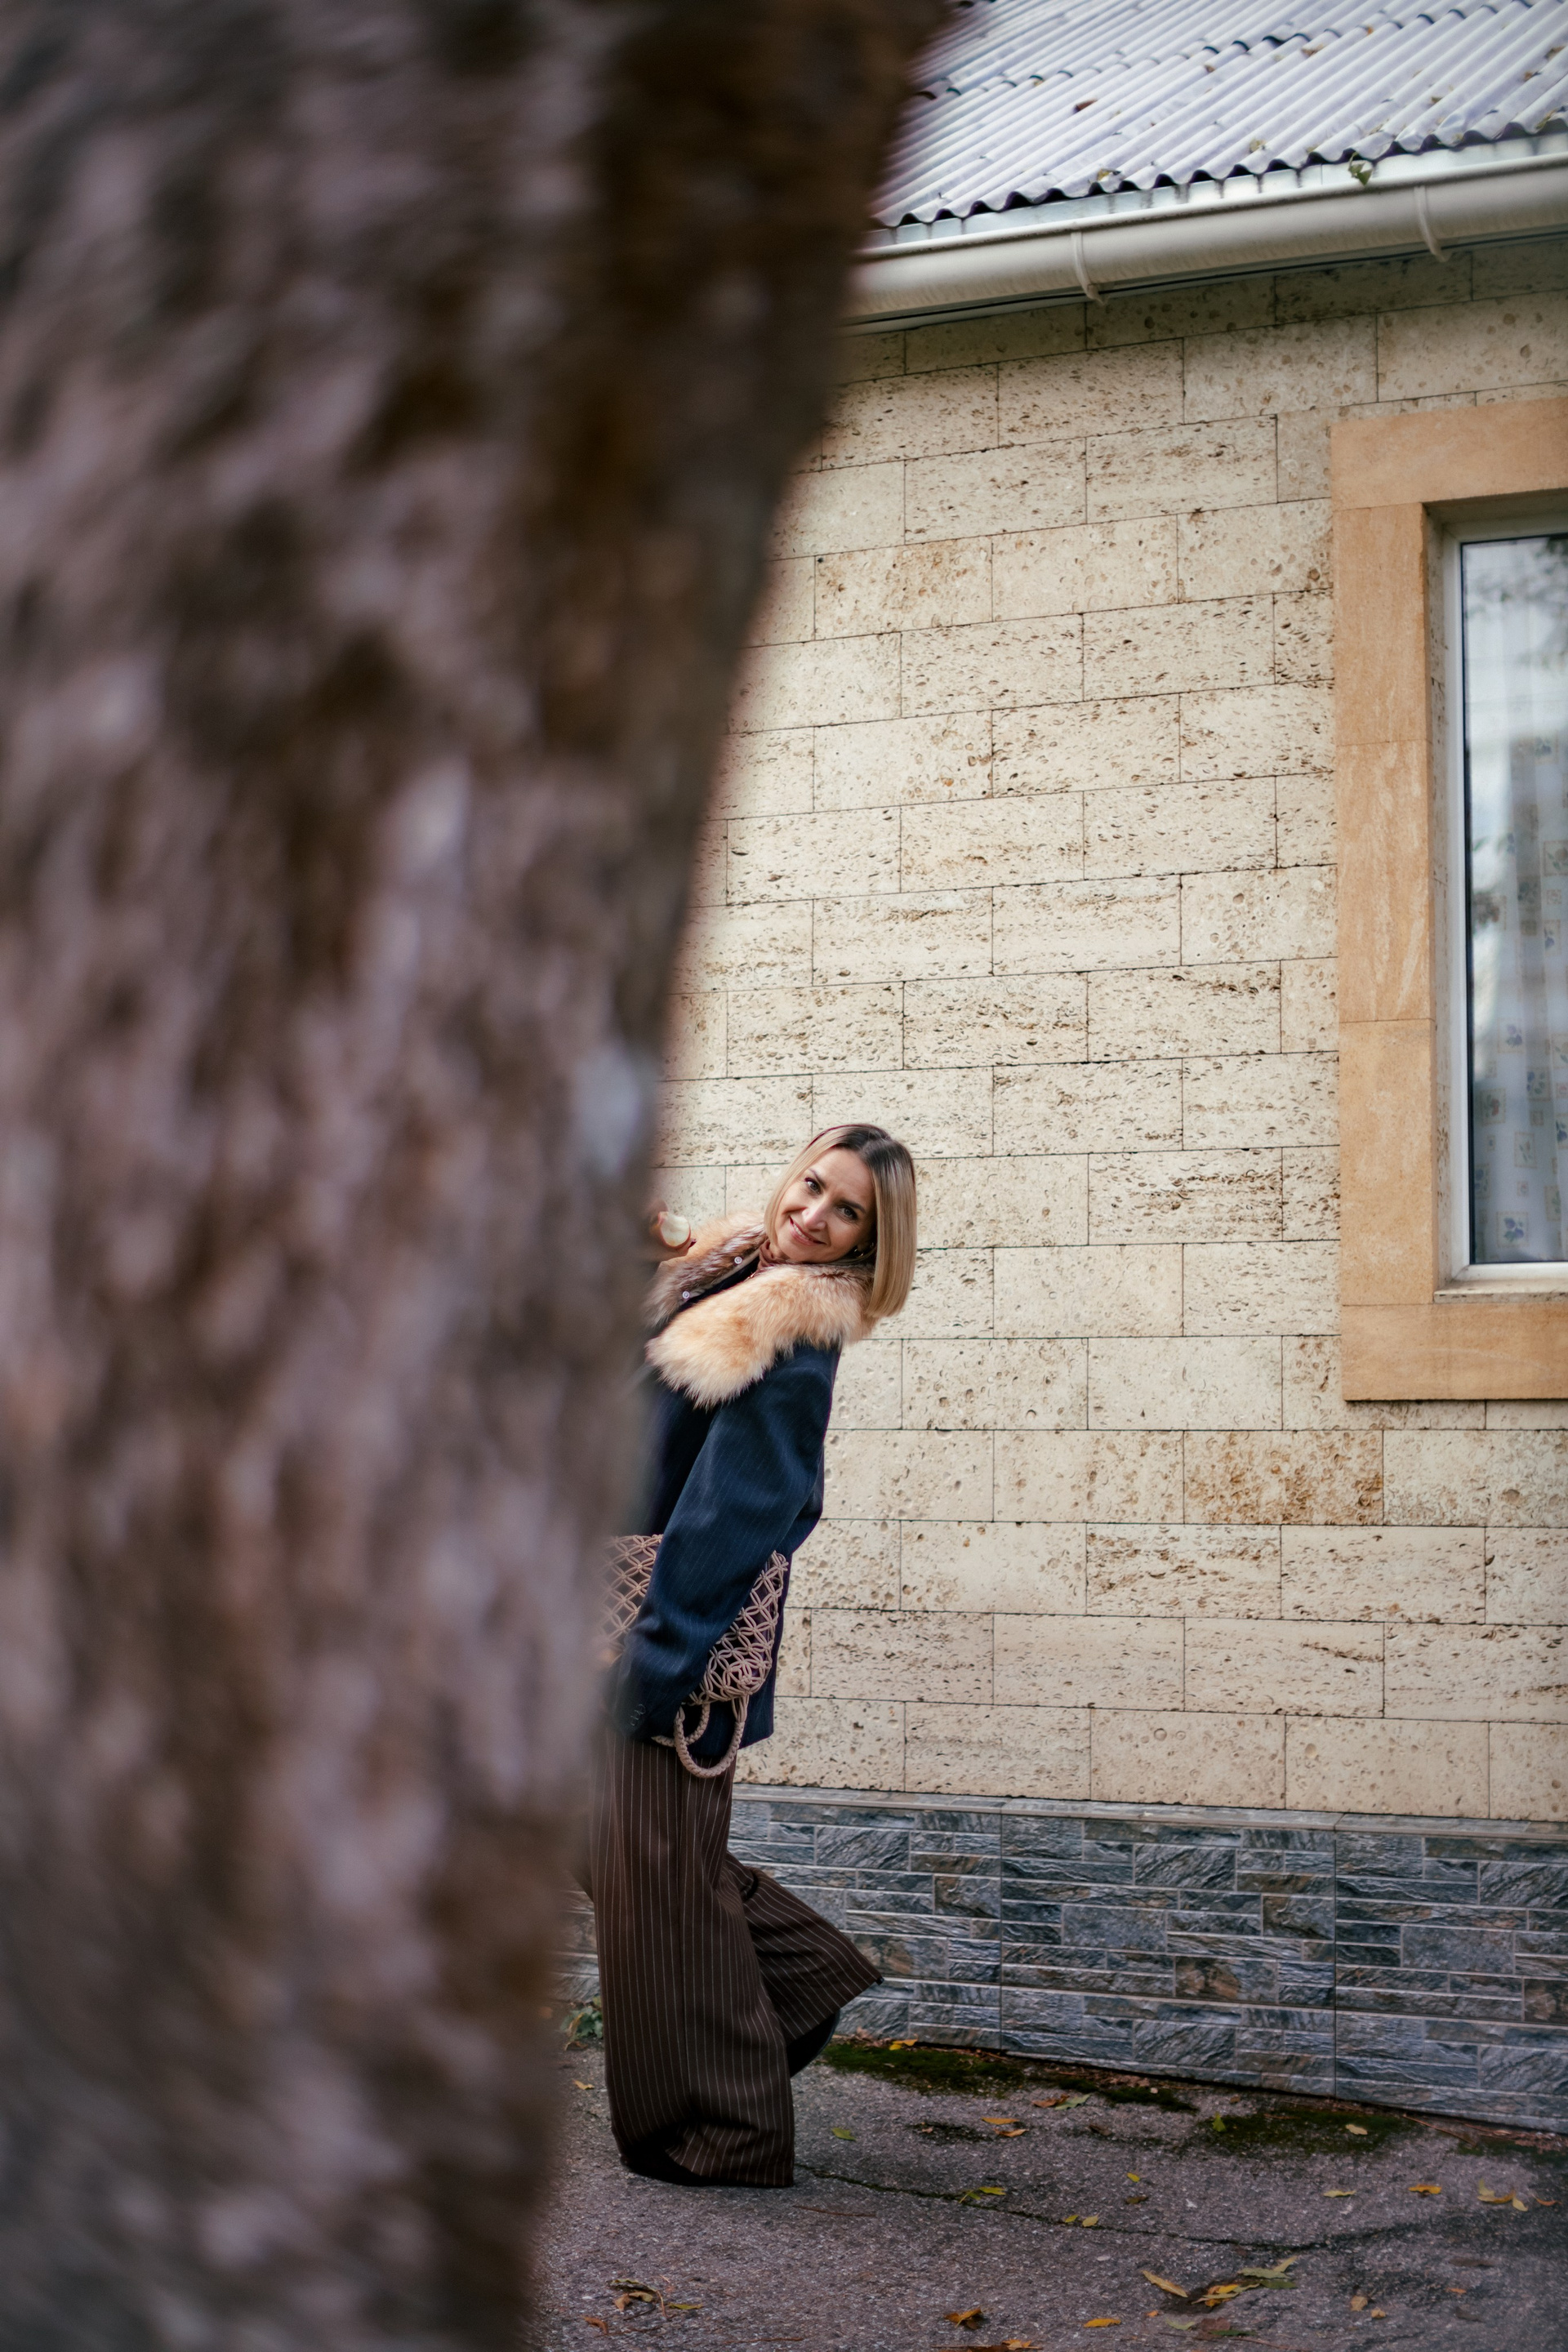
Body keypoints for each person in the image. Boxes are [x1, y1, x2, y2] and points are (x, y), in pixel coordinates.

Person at [586, 1123, 917, 2188]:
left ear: (870, 1243)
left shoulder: (792, 1329)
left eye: (847, 1211)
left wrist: (655, 1666)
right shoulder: (721, 1274)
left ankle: (724, 2130)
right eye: (812, 1186)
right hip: (604, 1613)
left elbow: (741, 1515)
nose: (813, 1215)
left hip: (666, 1642)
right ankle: (802, 1979)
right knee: (638, 1861)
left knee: (656, 1876)